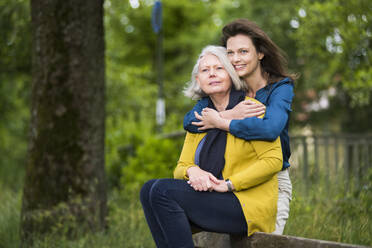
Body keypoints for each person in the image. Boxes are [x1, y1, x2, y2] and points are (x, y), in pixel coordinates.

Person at [140, 45, 283, 248]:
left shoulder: (251, 110)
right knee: (148, 190)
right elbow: (180, 167)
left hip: (245, 203)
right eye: (205, 70)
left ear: (231, 73)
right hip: (214, 198)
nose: (212, 74)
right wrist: (193, 170)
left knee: (162, 191)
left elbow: (273, 161)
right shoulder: (201, 119)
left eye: (219, 68)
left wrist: (229, 184)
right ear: (198, 80)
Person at [183, 19, 297, 235]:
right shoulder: (230, 87)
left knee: (268, 241)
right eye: (231, 53)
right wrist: (227, 115)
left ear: (260, 53)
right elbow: (190, 121)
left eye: (243, 52)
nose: (235, 59)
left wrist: (222, 122)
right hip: (229, 175)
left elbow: (270, 129)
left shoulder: (280, 88)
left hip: (270, 177)